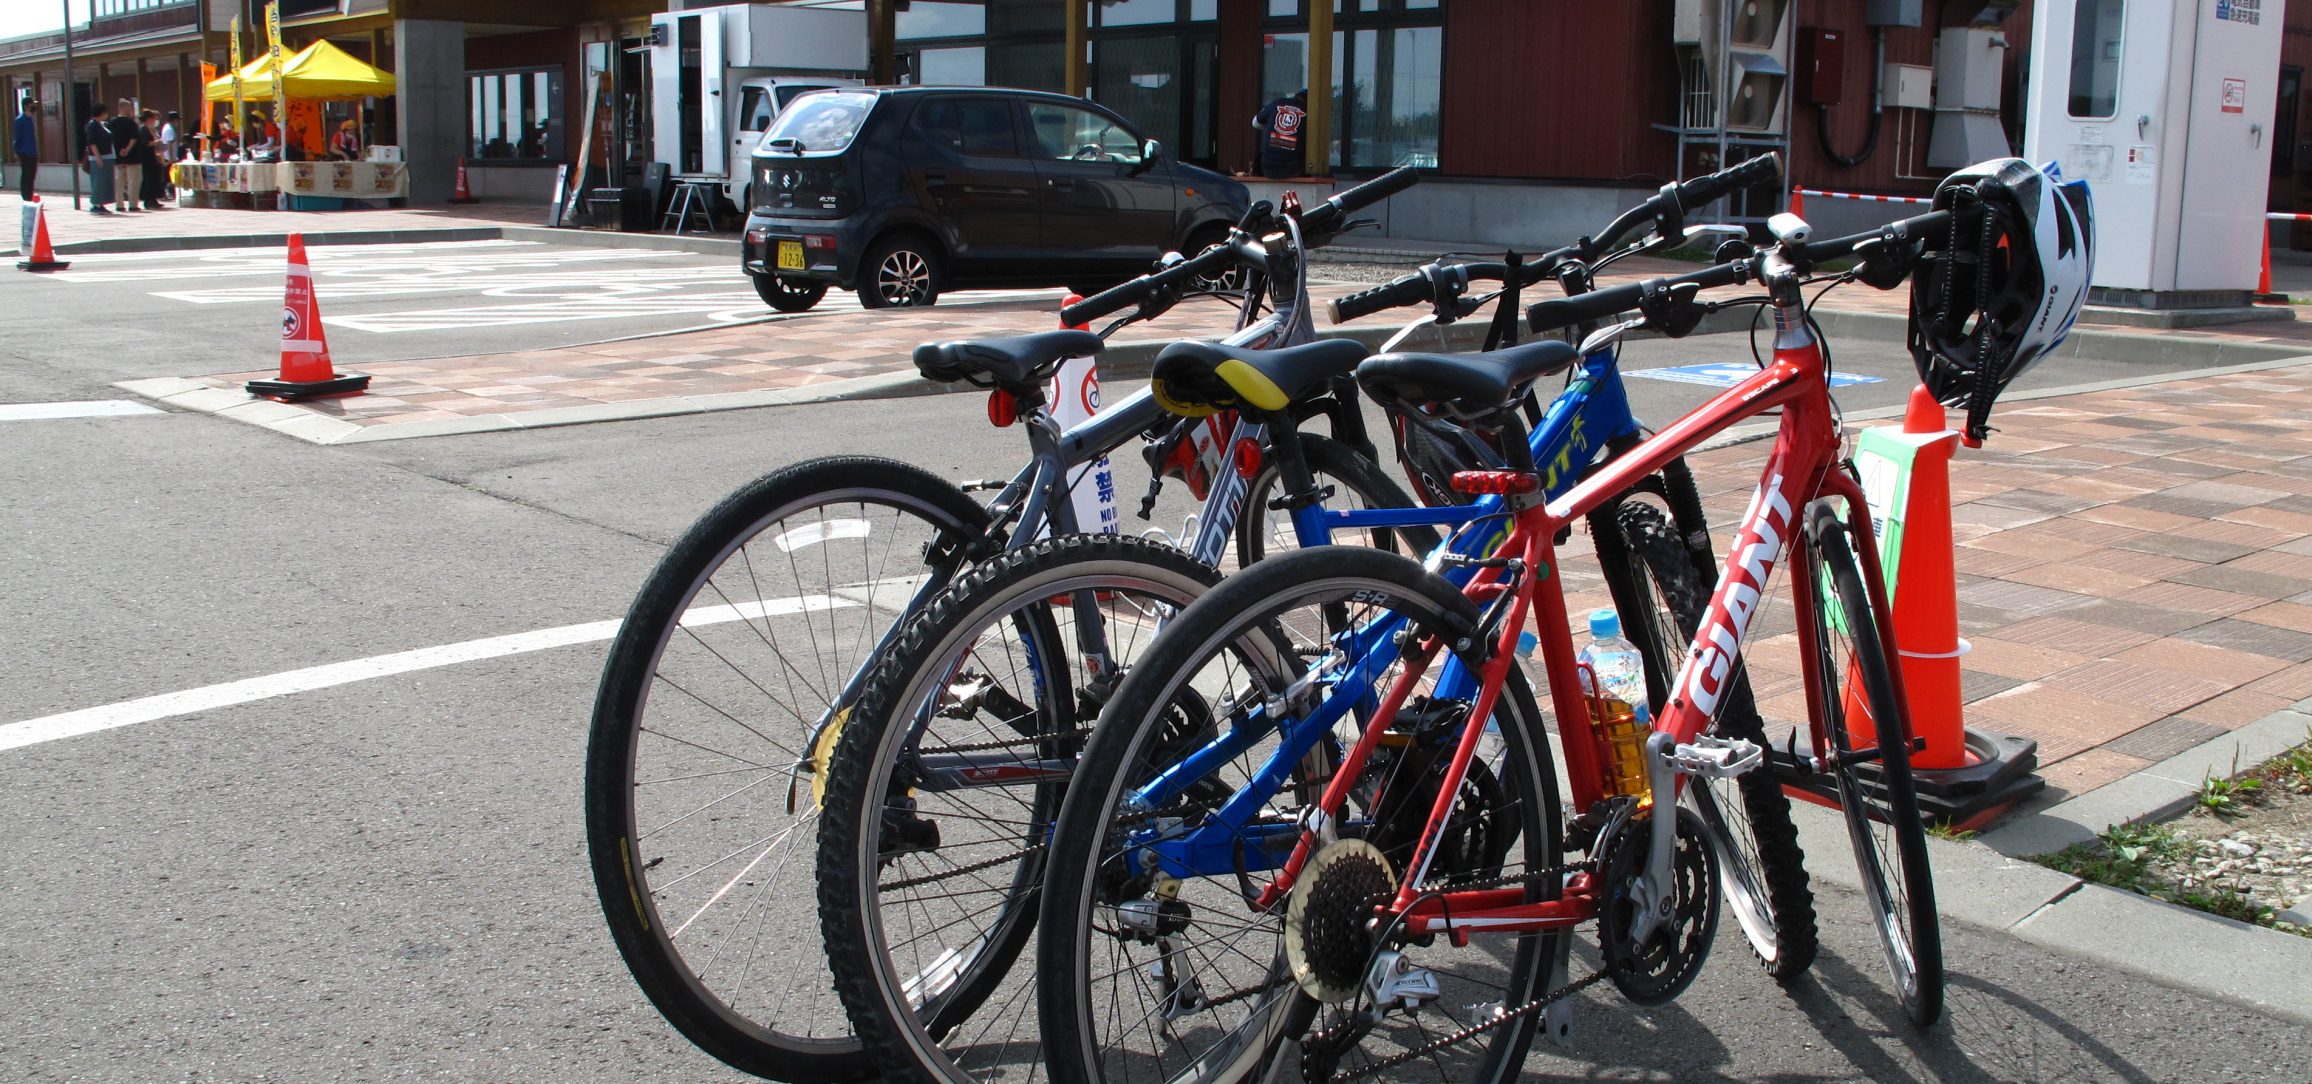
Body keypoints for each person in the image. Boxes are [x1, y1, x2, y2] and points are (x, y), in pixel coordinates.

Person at [1253, 89, 1308, 180]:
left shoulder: (1277, 103)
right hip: (1292, 170)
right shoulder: (1311, 112)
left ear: (1296, 95)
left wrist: (1273, 131)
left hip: (1267, 168)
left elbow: (1255, 123)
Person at [106, 100, 141, 212]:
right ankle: (133, 204)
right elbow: (134, 138)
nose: (131, 110)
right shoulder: (132, 123)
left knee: (118, 181)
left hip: (116, 157)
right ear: (126, 108)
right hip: (132, 156)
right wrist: (127, 149)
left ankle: (119, 204)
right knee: (133, 180)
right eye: (130, 108)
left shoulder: (112, 123)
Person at [82, 102, 116, 214]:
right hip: (99, 157)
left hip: (108, 156)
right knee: (99, 181)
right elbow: (92, 142)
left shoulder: (102, 124)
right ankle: (96, 204)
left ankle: (101, 203)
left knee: (105, 181)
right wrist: (98, 157)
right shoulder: (92, 125)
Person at [135, 109, 167, 209]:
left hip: (152, 157)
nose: (155, 121)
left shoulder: (150, 129)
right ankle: (149, 200)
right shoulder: (143, 129)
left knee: (154, 179)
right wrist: (156, 142)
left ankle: (154, 199)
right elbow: (145, 143)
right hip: (146, 158)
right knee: (148, 179)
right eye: (154, 118)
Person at [11, 97, 36, 202]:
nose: (33, 107)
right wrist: (16, 151)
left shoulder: (31, 119)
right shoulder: (20, 120)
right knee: (26, 174)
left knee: (32, 175)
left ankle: (30, 195)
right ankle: (25, 196)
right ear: (26, 106)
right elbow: (17, 137)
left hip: (33, 151)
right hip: (24, 151)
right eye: (31, 104)